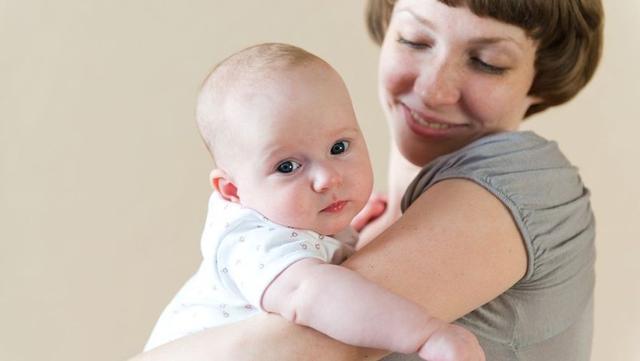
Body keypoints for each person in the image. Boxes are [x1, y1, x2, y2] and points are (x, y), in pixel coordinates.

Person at [131, 0, 603, 360]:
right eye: (416, 41)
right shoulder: (305, 230)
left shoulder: (527, 180)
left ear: (543, 77)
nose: (432, 89)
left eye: (488, 63)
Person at [142, 42, 484, 361]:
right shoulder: (249, 240)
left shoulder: (292, 220)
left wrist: (345, 236)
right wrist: (425, 335)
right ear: (232, 191)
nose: (327, 179)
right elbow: (318, 296)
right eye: (287, 167)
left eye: (339, 148)